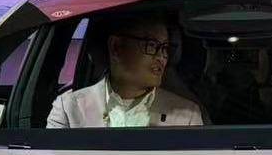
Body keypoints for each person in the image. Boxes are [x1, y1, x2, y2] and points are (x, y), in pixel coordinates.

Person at [46, 13, 204, 128]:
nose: (162, 57)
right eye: (152, 45)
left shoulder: (188, 116)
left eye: (165, 48)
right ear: (116, 47)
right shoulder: (68, 109)